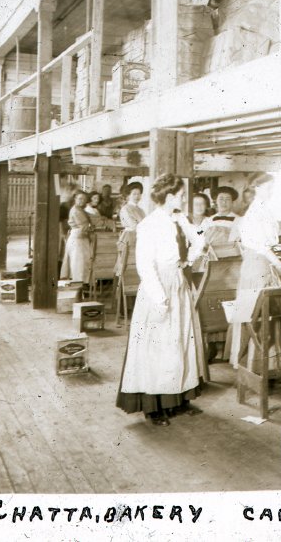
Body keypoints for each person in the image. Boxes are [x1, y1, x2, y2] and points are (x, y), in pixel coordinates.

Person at [116, 174, 208, 426]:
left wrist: (188, 258)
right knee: (158, 346)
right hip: (159, 287)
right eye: (180, 195)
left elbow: (200, 237)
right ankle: (154, 407)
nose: (183, 199)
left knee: (179, 341)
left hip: (178, 281)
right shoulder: (149, 224)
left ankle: (178, 400)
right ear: (168, 196)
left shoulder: (179, 218)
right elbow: (145, 265)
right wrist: (159, 298)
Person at [227, 173, 281, 368]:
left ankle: (264, 365)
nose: (271, 192)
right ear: (257, 188)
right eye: (268, 188)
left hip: (264, 263)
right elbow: (261, 246)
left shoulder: (265, 210)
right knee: (255, 315)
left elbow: (272, 241)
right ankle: (250, 364)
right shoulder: (254, 213)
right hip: (257, 265)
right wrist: (280, 264)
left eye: (272, 188)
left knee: (265, 316)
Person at [60, 191, 93, 283]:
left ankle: (80, 284)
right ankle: (79, 285)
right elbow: (84, 226)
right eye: (80, 198)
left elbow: (90, 219)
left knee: (80, 264)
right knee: (78, 264)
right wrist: (91, 227)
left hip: (81, 238)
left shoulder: (80, 209)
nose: (82, 201)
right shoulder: (75, 210)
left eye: (84, 199)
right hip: (78, 239)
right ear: (75, 199)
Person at [118, 182, 145, 247]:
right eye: (134, 194)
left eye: (139, 194)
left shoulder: (141, 210)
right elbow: (133, 226)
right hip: (129, 239)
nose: (137, 196)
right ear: (128, 196)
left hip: (140, 237)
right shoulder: (125, 209)